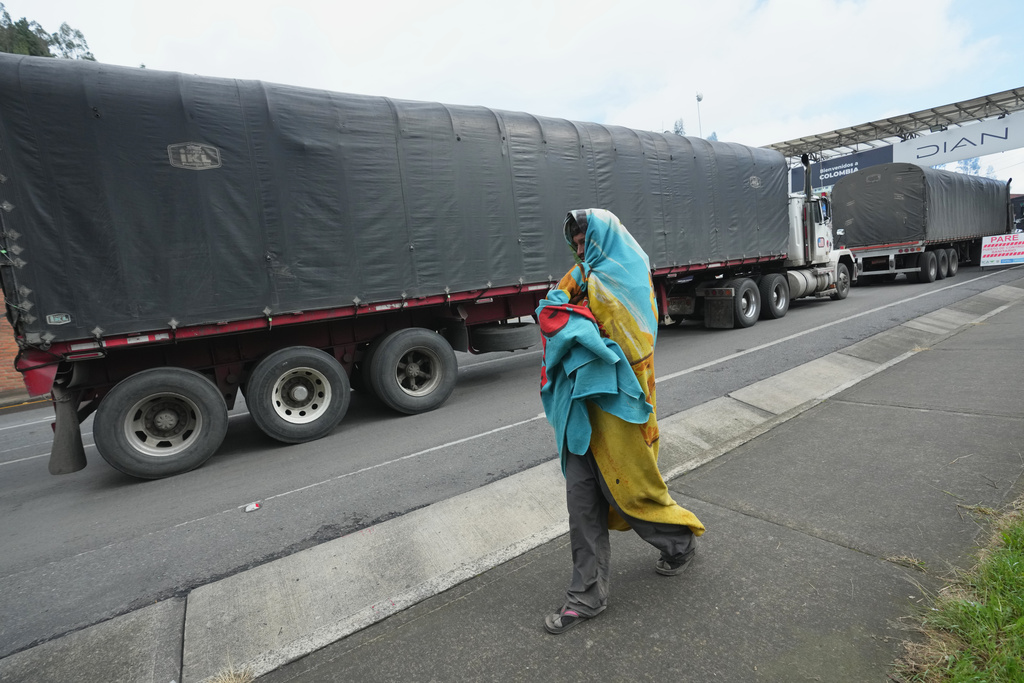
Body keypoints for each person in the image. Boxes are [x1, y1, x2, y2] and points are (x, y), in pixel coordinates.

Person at [537, 208, 705, 635]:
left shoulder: (627, 273)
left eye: (585, 243)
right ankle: (586, 596)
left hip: (620, 407)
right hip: (579, 406)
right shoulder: (578, 277)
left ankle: (679, 542)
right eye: (575, 245)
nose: (580, 251)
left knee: (629, 494)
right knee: (582, 501)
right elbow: (551, 316)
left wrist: (577, 322)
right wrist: (576, 321)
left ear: (605, 238)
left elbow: (632, 342)